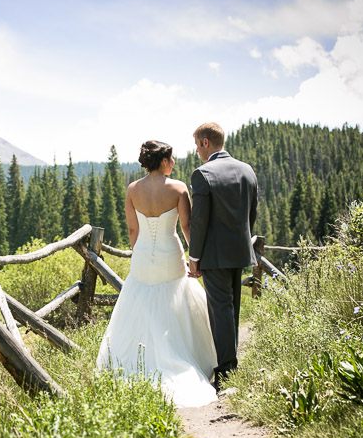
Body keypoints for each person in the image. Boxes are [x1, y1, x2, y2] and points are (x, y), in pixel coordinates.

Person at [96, 140, 218, 408]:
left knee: (141, 304)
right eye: (172, 158)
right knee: (175, 303)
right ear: (163, 161)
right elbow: (186, 226)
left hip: (142, 255)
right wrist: (194, 258)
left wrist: (139, 252)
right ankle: (180, 355)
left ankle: (139, 361)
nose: (174, 163)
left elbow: (132, 231)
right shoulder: (178, 188)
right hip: (170, 254)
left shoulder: (133, 189)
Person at [187, 122, 258, 391]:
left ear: (206, 142)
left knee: (221, 310)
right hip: (240, 251)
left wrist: (195, 257)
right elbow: (252, 214)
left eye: (196, 144)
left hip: (214, 255)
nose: (196, 150)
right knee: (232, 309)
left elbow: (199, 221)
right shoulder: (247, 170)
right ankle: (230, 364)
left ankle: (227, 371)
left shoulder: (202, 174)